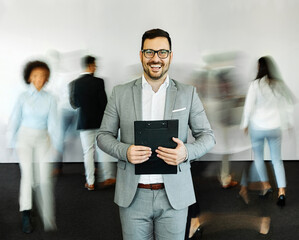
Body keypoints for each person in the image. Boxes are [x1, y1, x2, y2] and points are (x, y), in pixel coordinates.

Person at [97, 29, 215, 240]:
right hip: (133, 196)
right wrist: (125, 151)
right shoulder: (120, 93)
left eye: (162, 52)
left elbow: (207, 136)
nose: (156, 58)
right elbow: (103, 135)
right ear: (141, 55)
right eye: (149, 52)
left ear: (170, 56)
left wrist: (186, 152)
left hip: (175, 196)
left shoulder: (187, 93)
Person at [6, 60, 59, 233]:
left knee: (44, 178)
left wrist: (56, 146)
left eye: (43, 76)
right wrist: (10, 142)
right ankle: (26, 212)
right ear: (29, 77)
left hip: (43, 139)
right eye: (36, 75)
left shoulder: (50, 98)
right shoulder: (23, 97)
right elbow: (15, 119)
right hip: (25, 139)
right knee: (28, 175)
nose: (40, 79)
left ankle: (47, 215)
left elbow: (53, 124)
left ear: (47, 78)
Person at [241, 56, 295, 207]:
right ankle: (282, 192)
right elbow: (289, 103)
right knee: (276, 160)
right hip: (275, 127)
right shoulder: (278, 84)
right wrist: (289, 123)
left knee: (258, 157)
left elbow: (248, 108)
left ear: (259, 67)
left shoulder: (255, 85)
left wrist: (245, 125)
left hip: (257, 128)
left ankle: (265, 186)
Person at [69, 55, 116, 190]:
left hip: (84, 123)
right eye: (95, 65)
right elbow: (104, 104)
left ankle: (90, 182)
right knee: (103, 150)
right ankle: (108, 177)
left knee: (88, 153)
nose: (96, 67)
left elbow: (74, 104)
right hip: (100, 122)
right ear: (90, 65)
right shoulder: (99, 82)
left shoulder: (75, 83)